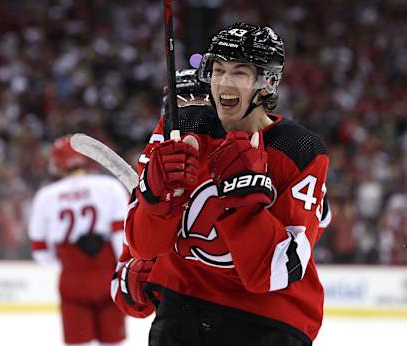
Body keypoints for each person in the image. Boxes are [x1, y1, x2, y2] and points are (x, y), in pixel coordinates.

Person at [123, 23, 330, 346]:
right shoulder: (181, 128)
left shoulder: (300, 150)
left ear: (267, 82)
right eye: (218, 70)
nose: (223, 83)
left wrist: (244, 198)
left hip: (270, 321)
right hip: (183, 309)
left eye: (239, 72)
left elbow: (275, 273)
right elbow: (144, 246)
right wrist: (155, 197)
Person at [111, 67, 223, 319]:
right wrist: (133, 281)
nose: (190, 108)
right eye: (181, 100)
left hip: (239, 316)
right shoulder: (153, 173)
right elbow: (125, 291)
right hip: (180, 323)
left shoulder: (243, 154)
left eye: (200, 98)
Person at [28, 135, 128, 346]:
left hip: (71, 277)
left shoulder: (46, 196)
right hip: (107, 273)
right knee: (114, 342)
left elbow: (39, 249)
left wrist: (65, 264)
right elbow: (123, 237)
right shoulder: (109, 187)